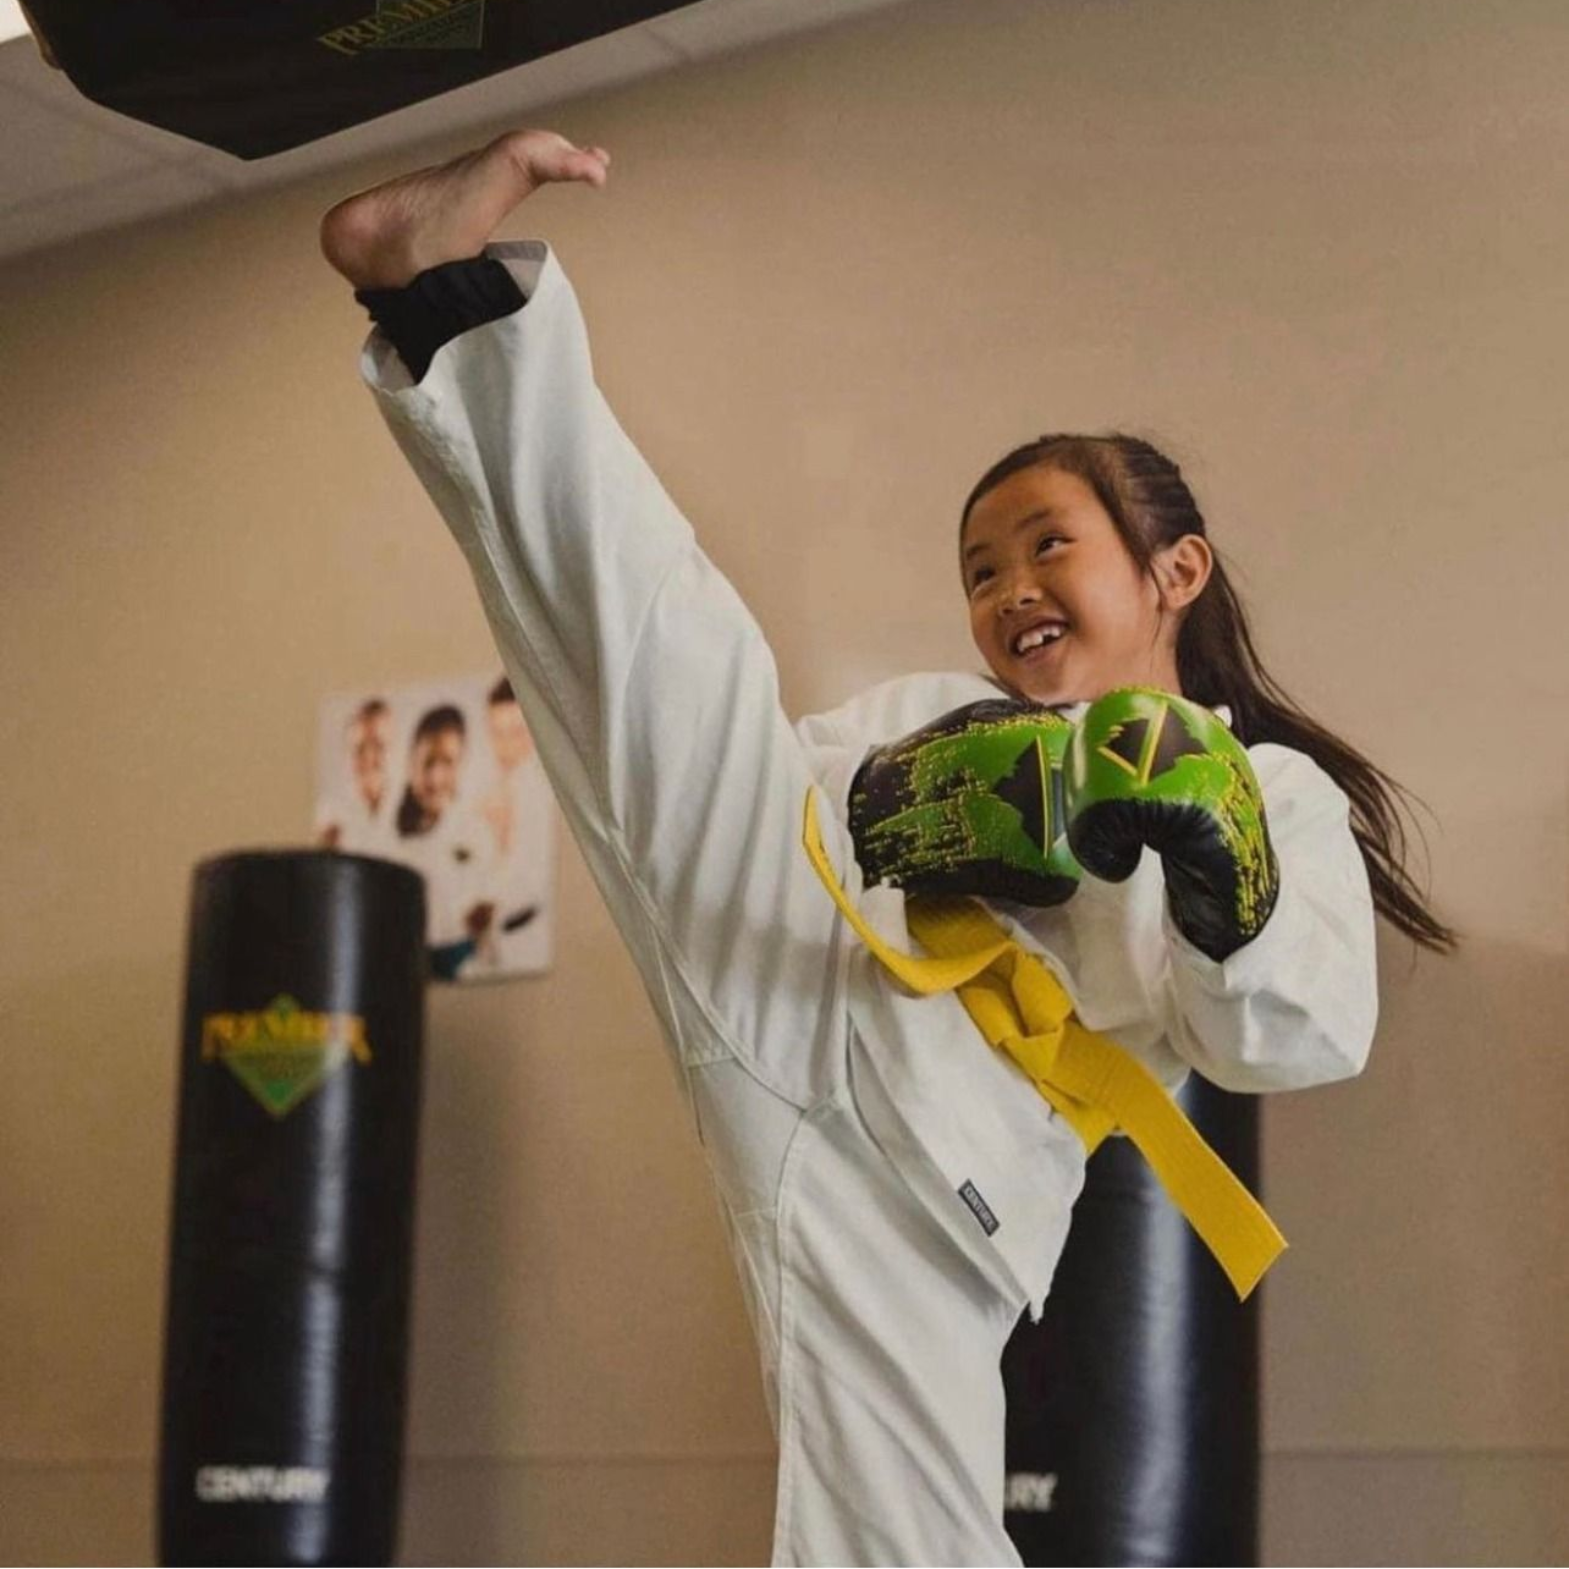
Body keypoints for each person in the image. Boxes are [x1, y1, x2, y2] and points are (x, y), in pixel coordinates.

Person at [319, 129, 1452, 1564]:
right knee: (667, 670)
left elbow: (1294, 1034)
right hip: (793, 974)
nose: (1010, 590)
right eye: (982, 569)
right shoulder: (941, 710)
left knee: (894, 1538)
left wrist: (1219, 869)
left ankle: (446, 304)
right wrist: (899, 800)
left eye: (1049, 546)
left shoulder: (1265, 784)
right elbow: (775, 780)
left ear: (1176, 570)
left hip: (940, 1166)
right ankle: (447, 301)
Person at [314, 695, 395, 854]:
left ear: (392, 745)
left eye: (379, 745)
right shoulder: (330, 812)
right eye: (360, 748)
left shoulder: (410, 805)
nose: (369, 758)